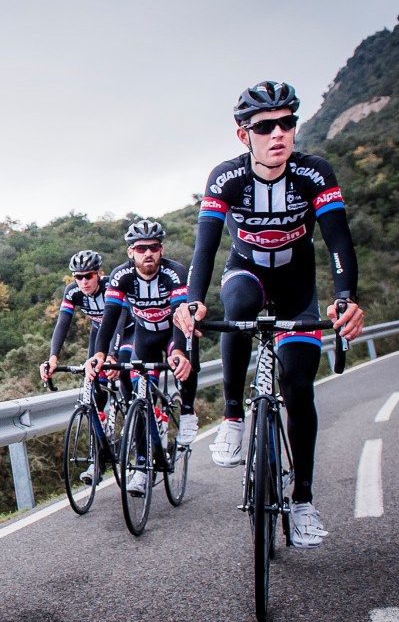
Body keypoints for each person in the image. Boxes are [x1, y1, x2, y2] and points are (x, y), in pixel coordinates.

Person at [173, 81, 364, 549]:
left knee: (299, 389)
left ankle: (302, 501)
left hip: (297, 285)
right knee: (235, 305)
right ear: (244, 136)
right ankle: (234, 418)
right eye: (265, 126)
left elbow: (340, 241)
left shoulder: (315, 173)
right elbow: (205, 247)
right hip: (247, 273)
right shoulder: (226, 178)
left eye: (287, 122)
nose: (279, 133)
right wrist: (193, 298)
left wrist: (346, 297)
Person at [86, 220, 196, 493]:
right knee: (139, 399)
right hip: (145, 337)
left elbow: (180, 314)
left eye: (154, 247)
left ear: (162, 249)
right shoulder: (122, 276)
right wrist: (101, 353)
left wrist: (179, 351)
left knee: (185, 365)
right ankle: (142, 465)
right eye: (141, 248)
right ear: (130, 252)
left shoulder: (174, 272)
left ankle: (187, 412)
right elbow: (109, 319)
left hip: (173, 332)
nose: (148, 253)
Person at [40, 250, 112, 484]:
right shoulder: (73, 292)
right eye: (78, 277)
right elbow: (63, 323)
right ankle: (98, 459)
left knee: (126, 380)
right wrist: (53, 357)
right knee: (92, 391)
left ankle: (136, 420)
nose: (83, 282)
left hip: (125, 331)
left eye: (88, 276)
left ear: (99, 274)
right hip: (98, 333)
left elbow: (119, 321)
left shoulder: (112, 287)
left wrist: (111, 356)